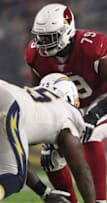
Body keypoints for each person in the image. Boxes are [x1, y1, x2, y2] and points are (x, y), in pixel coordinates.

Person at [24, 3, 107, 203]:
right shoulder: (35, 55)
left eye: (50, 36)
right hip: (70, 107)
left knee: (89, 135)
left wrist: (95, 114)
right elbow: (39, 94)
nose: (43, 42)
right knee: (50, 158)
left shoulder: (91, 45)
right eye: (40, 36)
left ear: (66, 31)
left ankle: (99, 201)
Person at [0, 74, 96, 202]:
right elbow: (81, 170)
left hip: (5, 91)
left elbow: (20, 158)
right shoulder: (68, 112)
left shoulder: (34, 101)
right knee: (14, 176)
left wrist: (44, 192)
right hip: (9, 104)